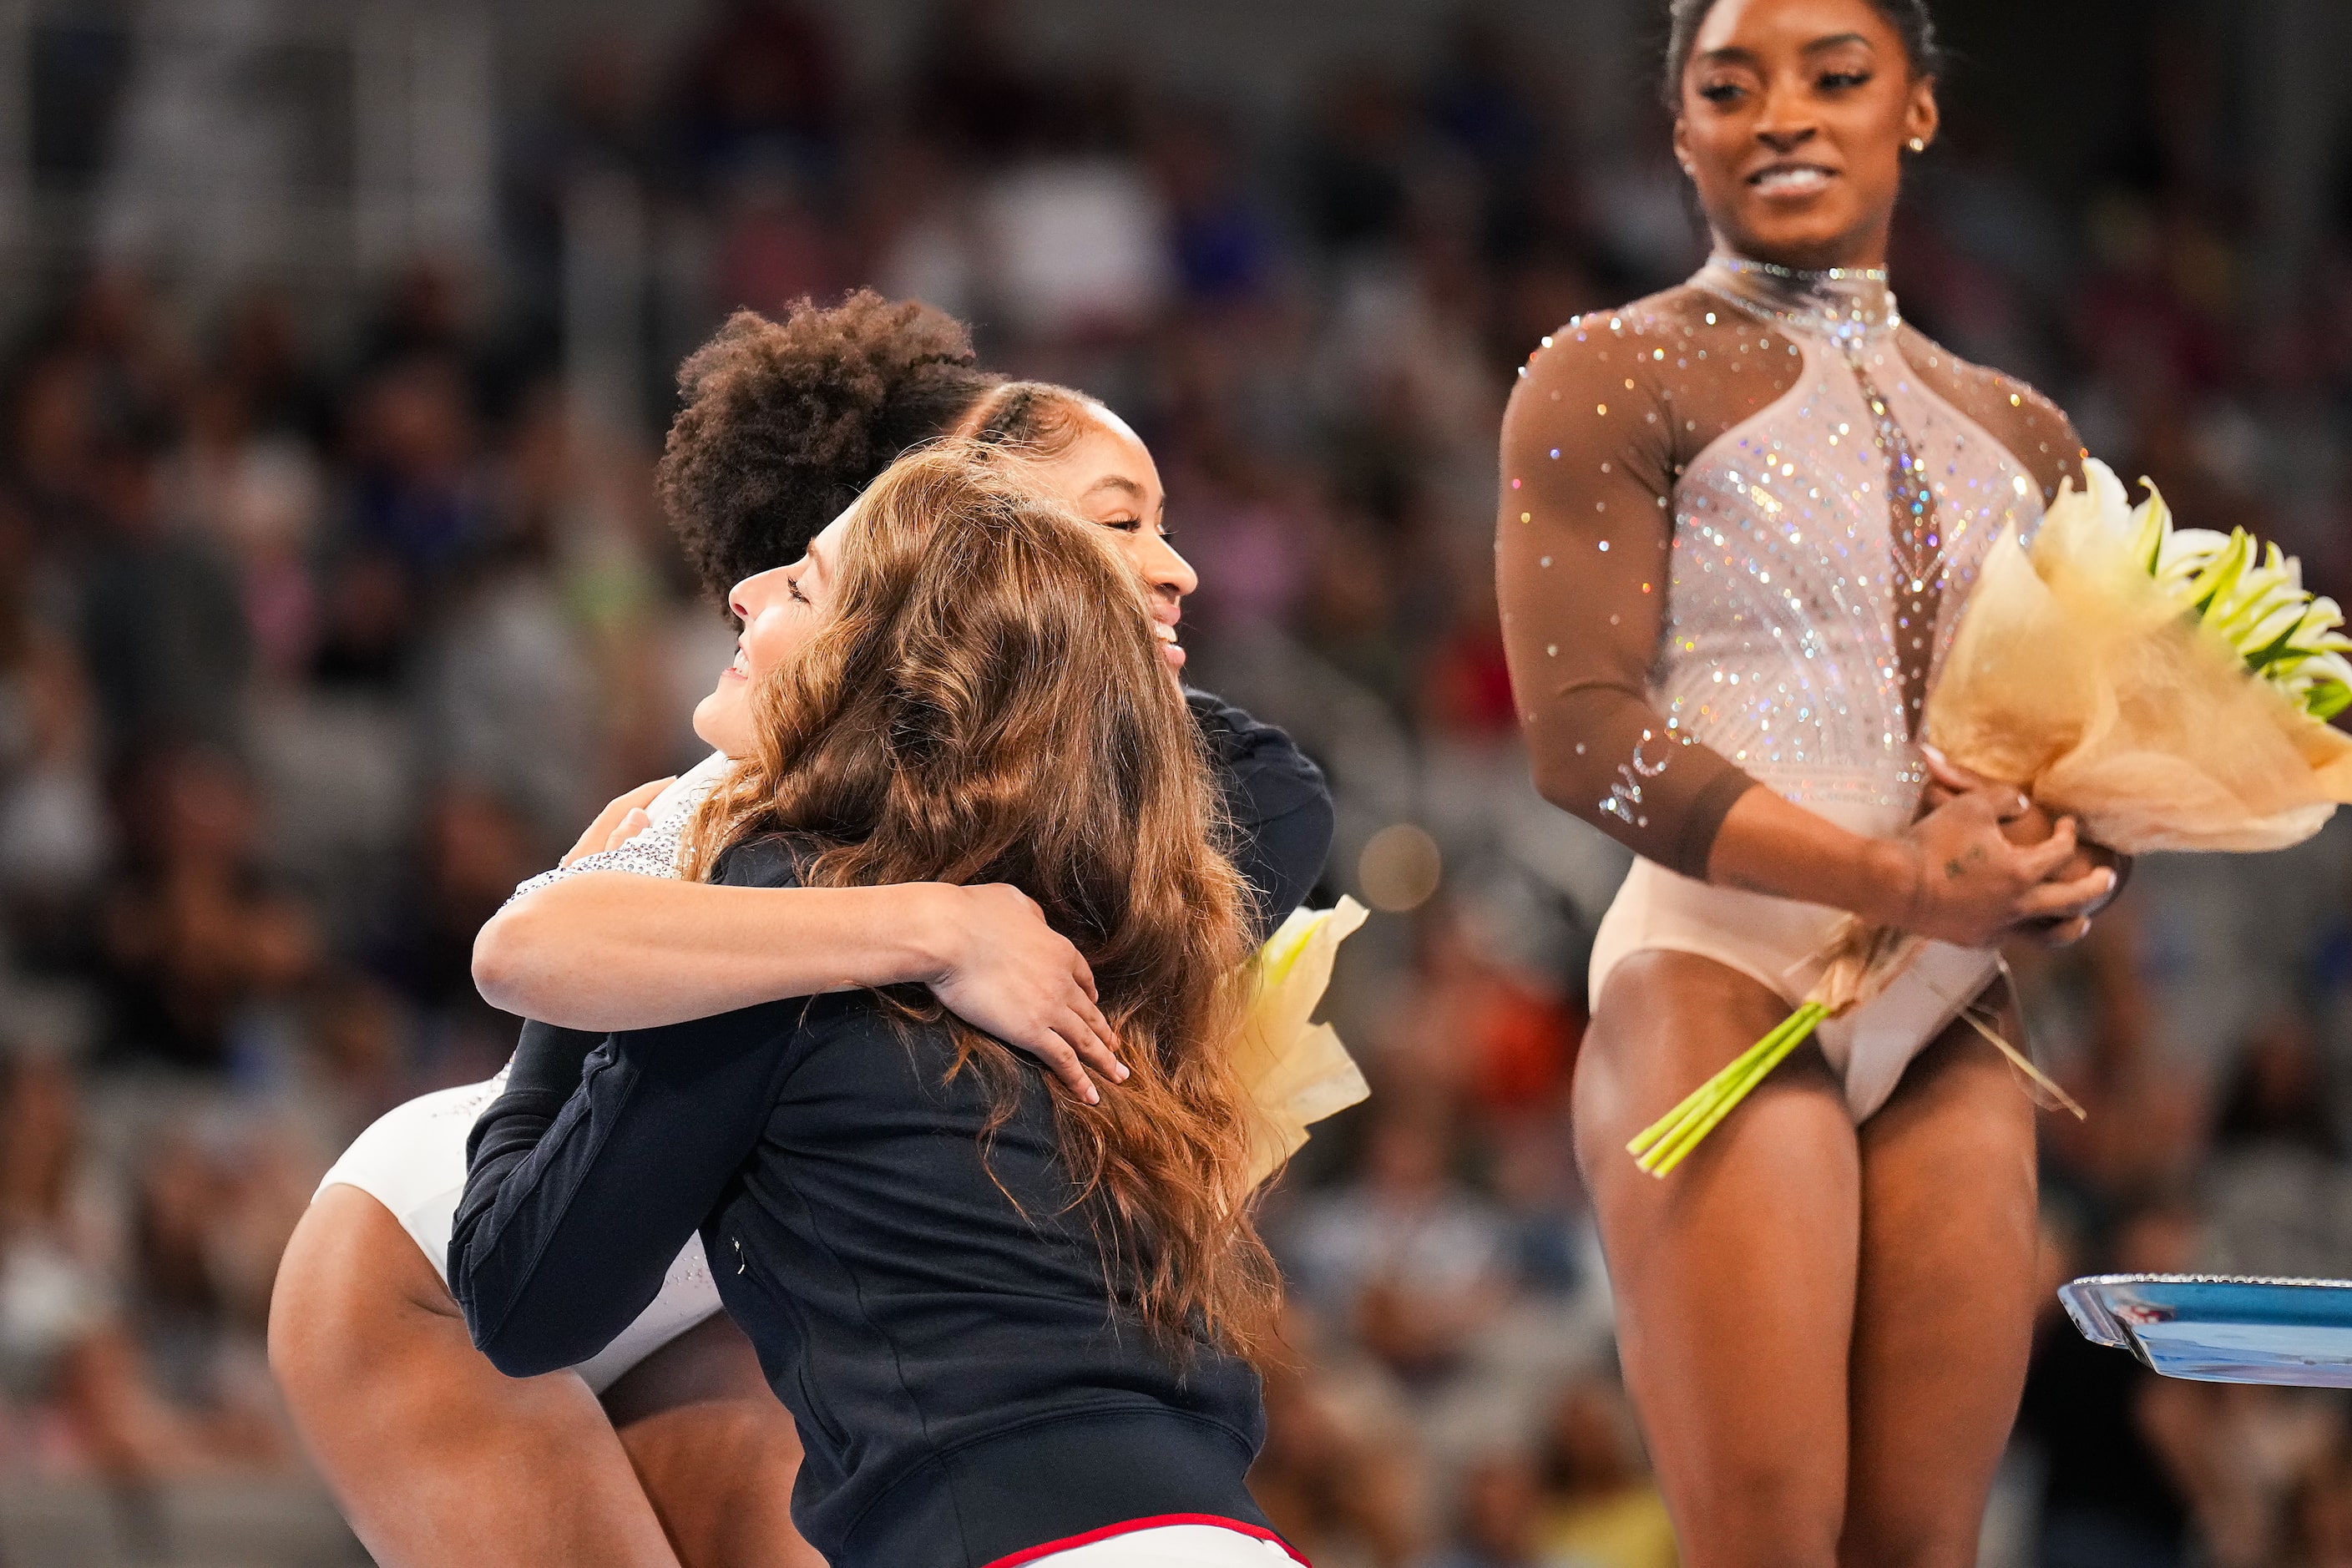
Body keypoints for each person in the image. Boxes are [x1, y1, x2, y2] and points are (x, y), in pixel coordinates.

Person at [269, 295, 1332, 1568]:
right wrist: (929, 923)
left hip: (733, 1261)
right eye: (1118, 523)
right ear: (929, 539)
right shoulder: (747, 825)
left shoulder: (1039, 795)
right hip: (437, 1259)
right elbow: (522, 951)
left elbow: (1278, 797)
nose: (1174, 566)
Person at [1495, 2, 2119, 1562]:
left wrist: (2067, 856)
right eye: (1731, 86)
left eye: (1835, 78)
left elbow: (2057, 746)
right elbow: (1583, 737)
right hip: (1718, 968)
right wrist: (1903, 880)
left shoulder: (2024, 431)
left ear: (1912, 109)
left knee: (1924, 1545)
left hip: (1950, 1010)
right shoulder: (1605, 372)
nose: (1783, 113)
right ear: (1680, 129)